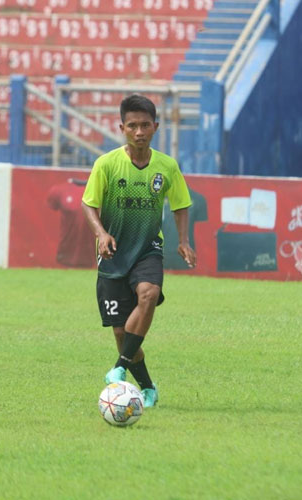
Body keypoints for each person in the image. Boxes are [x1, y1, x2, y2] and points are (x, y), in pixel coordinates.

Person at [81, 94, 197, 408]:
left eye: (145, 125)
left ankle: (119, 366)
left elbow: (182, 204)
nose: (139, 131)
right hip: (113, 253)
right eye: (132, 125)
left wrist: (183, 241)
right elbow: (89, 203)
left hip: (148, 248)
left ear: (156, 126)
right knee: (122, 332)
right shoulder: (106, 164)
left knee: (149, 294)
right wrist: (102, 233)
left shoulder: (166, 166)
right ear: (122, 128)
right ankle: (147, 387)